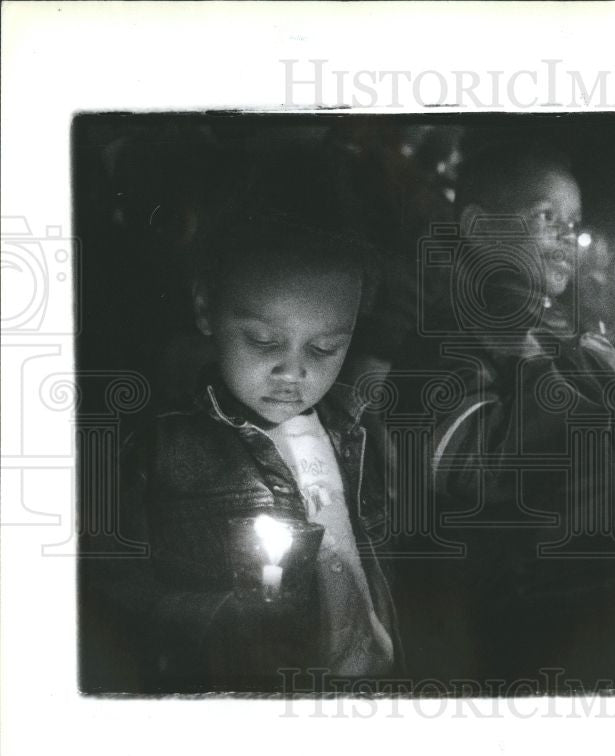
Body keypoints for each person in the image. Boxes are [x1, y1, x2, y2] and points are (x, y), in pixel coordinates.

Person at [393, 141, 615, 690]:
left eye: (574, 222)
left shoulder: (557, 336)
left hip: (611, 626)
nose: (567, 237)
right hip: (531, 644)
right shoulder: (443, 342)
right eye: (545, 217)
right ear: (477, 226)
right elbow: (481, 466)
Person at [80, 214, 399, 692]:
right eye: (264, 341)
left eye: (325, 348)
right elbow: (110, 586)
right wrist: (215, 617)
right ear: (206, 309)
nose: (292, 371)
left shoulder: (355, 430)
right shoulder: (161, 446)